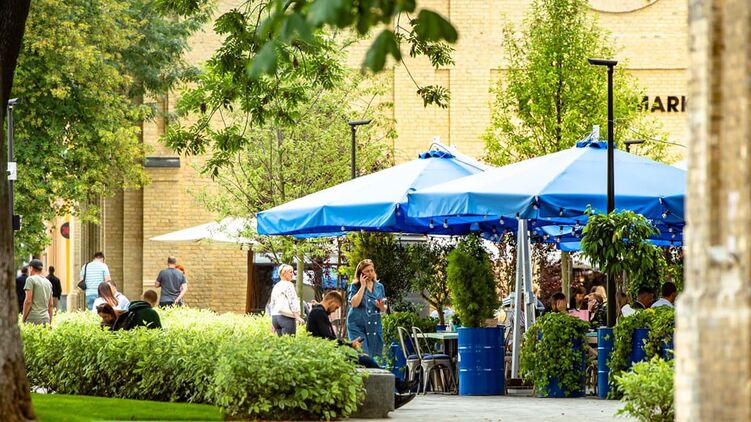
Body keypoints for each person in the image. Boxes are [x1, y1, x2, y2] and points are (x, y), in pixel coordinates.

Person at [307, 291, 417, 409]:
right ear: (330, 301)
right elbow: (329, 339)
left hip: (330, 353)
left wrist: (350, 346)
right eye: (336, 307)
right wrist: (350, 345)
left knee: (367, 361)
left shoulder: (318, 312)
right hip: (329, 355)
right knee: (367, 361)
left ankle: (395, 392)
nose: (334, 310)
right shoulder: (319, 313)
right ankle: (397, 390)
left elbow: (328, 339)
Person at [347, 259, 387, 359]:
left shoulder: (379, 287)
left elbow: (384, 309)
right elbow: (354, 304)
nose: (370, 273)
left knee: (375, 356)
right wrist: (363, 286)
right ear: (361, 273)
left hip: (374, 324)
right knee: (363, 355)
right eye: (367, 271)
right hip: (357, 325)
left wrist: (381, 306)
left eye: (372, 270)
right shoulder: (354, 286)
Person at [269, 264, 304, 336]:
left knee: (281, 342)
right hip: (286, 317)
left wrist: (272, 322)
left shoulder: (276, 286)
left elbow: (272, 303)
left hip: (275, 317)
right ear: (284, 273)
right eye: (290, 272)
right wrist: (297, 316)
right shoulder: (288, 285)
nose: (292, 274)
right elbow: (292, 301)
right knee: (289, 341)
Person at [22, 259, 53, 325]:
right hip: (46, 318)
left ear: (31, 268)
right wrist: (50, 322)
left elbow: (28, 301)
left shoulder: (30, 279)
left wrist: (23, 318)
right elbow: (50, 304)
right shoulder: (48, 282)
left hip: (33, 318)